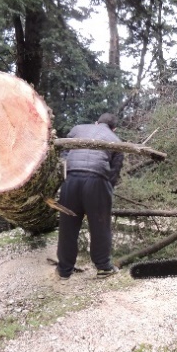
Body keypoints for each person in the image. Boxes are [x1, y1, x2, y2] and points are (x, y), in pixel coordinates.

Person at [55, 113, 124, 280]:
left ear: (96, 123)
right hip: (97, 181)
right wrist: (106, 192)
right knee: (100, 226)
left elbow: (63, 154)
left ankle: (64, 270)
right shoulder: (117, 140)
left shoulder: (77, 129)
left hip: (71, 180)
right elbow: (113, 173)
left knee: (67, 226)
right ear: (113, 128)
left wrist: (66, 177)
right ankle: (103, 267)